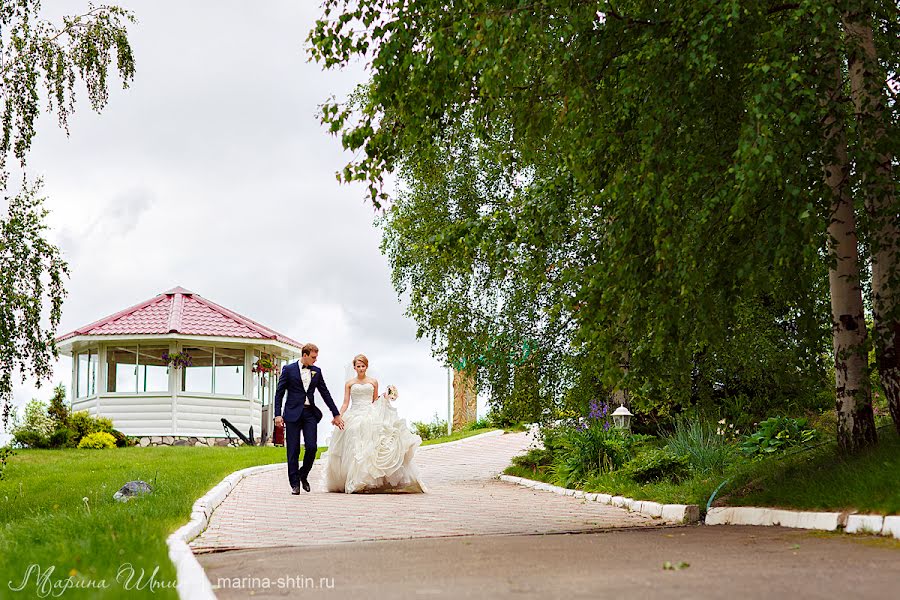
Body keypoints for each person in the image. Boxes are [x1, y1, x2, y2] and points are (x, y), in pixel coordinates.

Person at [322, 354, 426, 493]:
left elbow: (374, 400)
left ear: (366, 366)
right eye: (358, 366)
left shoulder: (373, 382)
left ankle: (370, 478)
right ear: (354, 367)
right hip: (354, 412)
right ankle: (353, 477)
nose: (360, 369)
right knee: (352, 430)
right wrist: (338, 416)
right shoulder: (349, 383)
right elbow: (346, 403)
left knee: (373, 435)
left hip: (370, 412)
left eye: (363, 366)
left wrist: (386, 396)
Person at [274, 343, 343, 495]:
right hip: (292, 414)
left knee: (312, 447)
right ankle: (294, 484)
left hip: (309, 414)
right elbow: (279, 393)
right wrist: (277, 414)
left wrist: (336, 414)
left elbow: (325, 393)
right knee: (293, 450)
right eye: (313, 357)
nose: (315, 360)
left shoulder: (316, 372)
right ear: (304, 355)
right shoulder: (288, 370)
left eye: (316, 357)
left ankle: (302, 474)